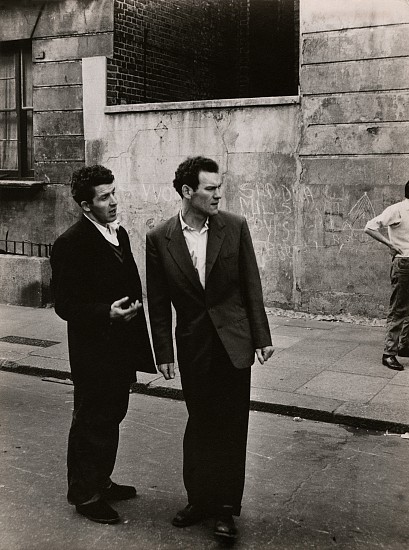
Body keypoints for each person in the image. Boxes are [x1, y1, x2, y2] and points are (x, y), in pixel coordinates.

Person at [146, 156, 274, 542]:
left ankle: (224, 510)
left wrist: (262, 337)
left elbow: (251, 285)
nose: (219, 194)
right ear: (188, 192)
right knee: (199, 424)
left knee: (231, 427)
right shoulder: (160, 238)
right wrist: (164, 353)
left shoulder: (234, 227)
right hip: (194, 346)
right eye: (210, 188)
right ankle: (198, 500)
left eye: (219, 187)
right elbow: (157, 302)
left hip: (234, 343)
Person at [50, 165, 156, 524]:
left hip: (119, 348)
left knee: (113, 415)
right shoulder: (71, 243)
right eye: (104, 197)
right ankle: (85, 494)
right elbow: (64, 304)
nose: (113, 202)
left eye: (114, 193)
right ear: (85, 205)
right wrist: (104, 313)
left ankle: (102, 480)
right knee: (91, 420)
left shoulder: (118, 233)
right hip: (93, 352)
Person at [364, 182, 409, 371]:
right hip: (404, 263)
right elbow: (370, 227)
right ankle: (388, 354)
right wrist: (390, 244)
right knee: (398, 309)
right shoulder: (397, 210)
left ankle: (404, 346)